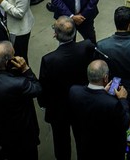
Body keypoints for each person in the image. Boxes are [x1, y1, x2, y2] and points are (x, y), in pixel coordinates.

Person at [38, 16, 96, 159]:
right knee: (82, 138)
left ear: (55, 35)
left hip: (59, 109)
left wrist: (44, 104)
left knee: (61, 142)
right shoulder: (87, 46)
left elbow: (43, 86)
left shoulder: (49, 60)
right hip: (81, 104)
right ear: (75, 32)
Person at [67, 60, 130, 159]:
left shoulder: (74, 91)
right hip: (108, 153)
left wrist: (102, 93)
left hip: (85, 150)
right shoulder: (112, 104)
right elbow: (125, 123)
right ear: (105, 78)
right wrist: (123, 100)